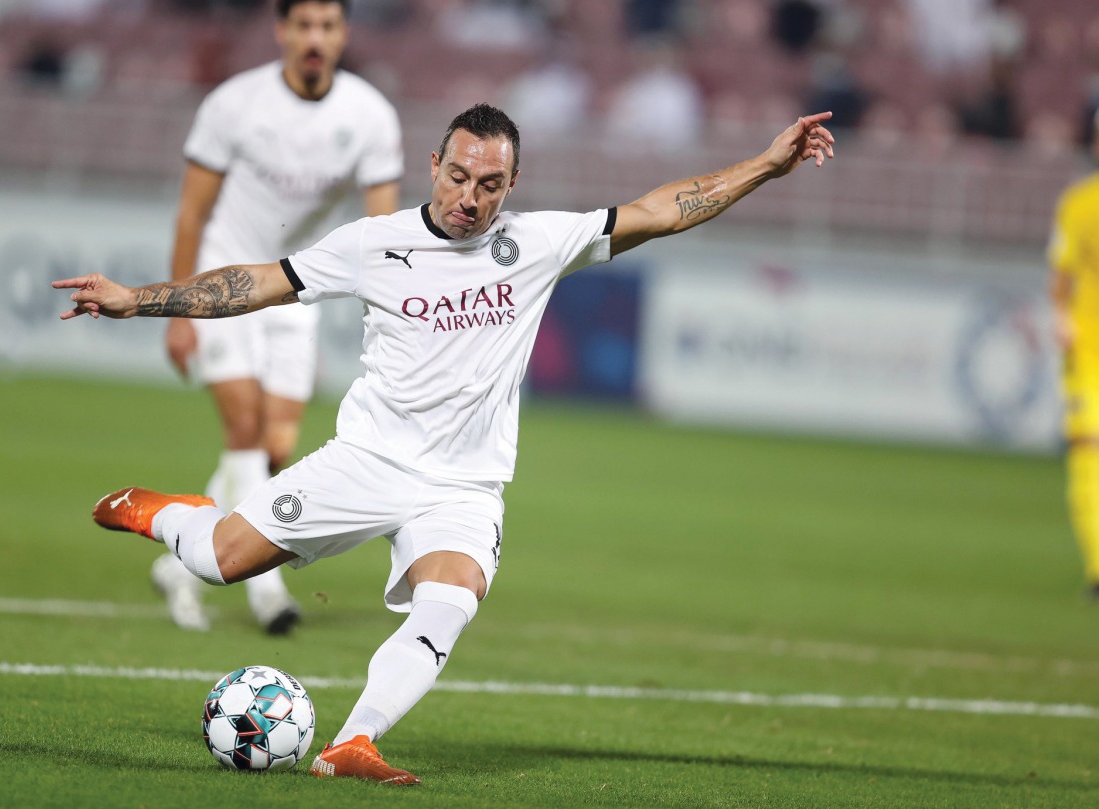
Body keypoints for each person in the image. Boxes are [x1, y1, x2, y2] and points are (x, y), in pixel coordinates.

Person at [54, 103, 833, 784]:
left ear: (512, 186)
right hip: (365, 461)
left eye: (490, 185)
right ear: (434, 165)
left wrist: (767, 165)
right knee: (219, 561)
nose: (470, 197)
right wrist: (139, 300)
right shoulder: (373, 244)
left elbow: (662, 209)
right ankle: (163, 513)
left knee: (451, 599)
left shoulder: (537, 243)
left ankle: (353, 739)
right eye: (458, 176)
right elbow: (255, 283)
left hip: (463, 487)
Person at [155, 0, 403, 634]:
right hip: (226, 281)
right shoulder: (234, 104)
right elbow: (191, 213)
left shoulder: (371, 117)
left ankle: (180, 566)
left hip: (296, 291)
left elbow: (384, 235)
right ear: (282, 31)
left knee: (275, 446)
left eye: (327, 26)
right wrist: (179, 311)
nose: (314, 38)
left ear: (343, 34)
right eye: (304, 26)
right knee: (242, 427)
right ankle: (266, 593)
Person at [1048, 109, 1099, 600]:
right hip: (1089, 350)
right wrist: (1061, 317)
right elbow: (1059, 278)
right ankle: (1098, 569)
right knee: (1088, 455)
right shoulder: (1079, 203)